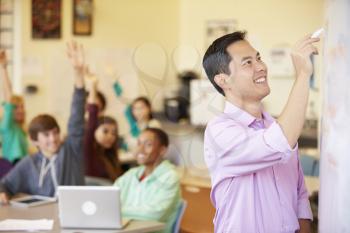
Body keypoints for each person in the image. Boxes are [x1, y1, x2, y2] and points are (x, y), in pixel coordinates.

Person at [202, 31, 318, 233]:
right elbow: (277, 142)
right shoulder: (219, 131)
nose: (261, 67)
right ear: (223, 80)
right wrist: (302, 75)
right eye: (247, 63)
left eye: (259, 58)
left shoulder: (276, 127)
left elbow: (299, 195)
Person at [0, 42, 86, 204]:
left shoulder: (70, 150)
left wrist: (78, 72)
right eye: (46, 135)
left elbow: (77, 116)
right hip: (42, 223)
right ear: (34, 140)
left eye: (55, 132)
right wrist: (2, 192)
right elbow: (5, 184)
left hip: (73, 218)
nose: (53, 139)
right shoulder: (30, 163)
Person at [114, 128, 180, 233]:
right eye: (138, 144)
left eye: (148, 145)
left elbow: (154, 214)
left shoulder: (170, 177)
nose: (140, 150)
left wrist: (117, 210)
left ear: (162, 150)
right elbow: (109, 200)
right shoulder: (131, 174)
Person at [85, 75, 122, 181]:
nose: (110, 136)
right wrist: (93, 86)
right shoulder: (88, 150)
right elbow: (91, 121)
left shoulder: (109, 155)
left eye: (114, 133)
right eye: (105, 132)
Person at [0, 50, 28, 164]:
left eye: (22, 107)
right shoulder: (7, 126)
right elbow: (9, 98)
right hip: (11, 168)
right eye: (16, 107)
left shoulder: (21, 129)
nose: (20, 110)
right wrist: (3, 68)